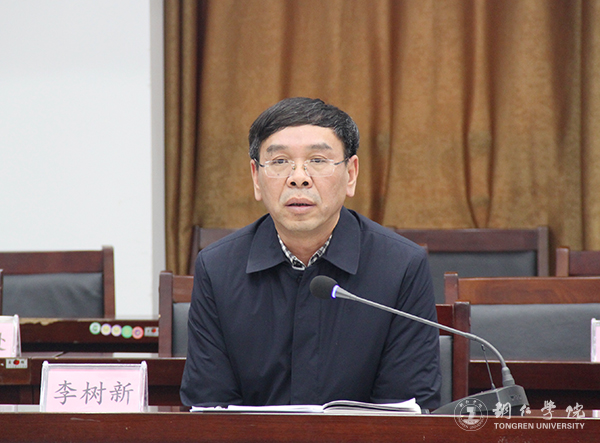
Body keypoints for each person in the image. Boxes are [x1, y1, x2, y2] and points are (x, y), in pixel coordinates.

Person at [180, 97, 441, 410]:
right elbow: (209, 405)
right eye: (280, 162)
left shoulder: (400, 267)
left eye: (318, 160)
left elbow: (405, 407)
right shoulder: (218, 268)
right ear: (256, 177)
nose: (299, 177)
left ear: (351, 174)